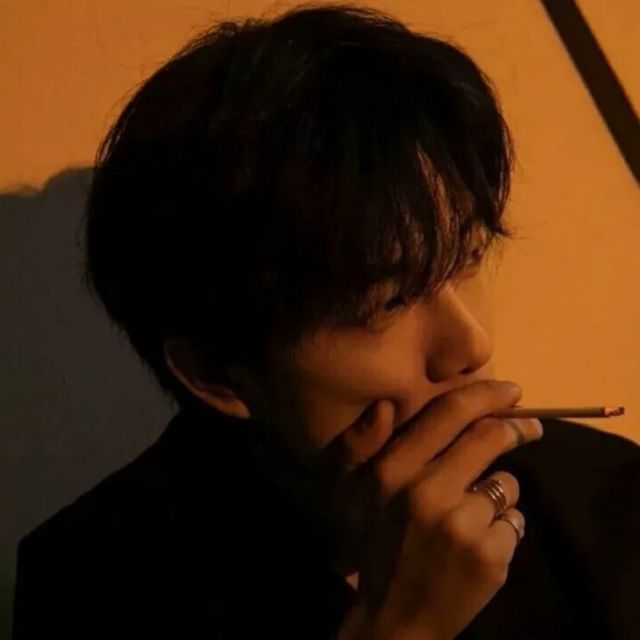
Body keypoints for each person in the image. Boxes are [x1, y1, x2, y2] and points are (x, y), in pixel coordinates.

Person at [12, 3, 639, 639]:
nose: (471, 345)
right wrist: (400, 626)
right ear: (217, 373)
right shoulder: (93, 583)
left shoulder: (602, 503)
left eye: (469, 257)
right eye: (387, 301)